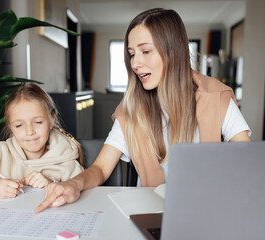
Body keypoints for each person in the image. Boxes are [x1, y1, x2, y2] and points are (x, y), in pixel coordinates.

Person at [34, 8, 251, 213]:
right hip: (149, 215)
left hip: (206, 212)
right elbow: (100, 168)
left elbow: (247, 162)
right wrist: (73, 184)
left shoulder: (217, 96)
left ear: (174, 51)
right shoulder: (131, 109)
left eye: (145, 51)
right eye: (131, 54)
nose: (135, 63)